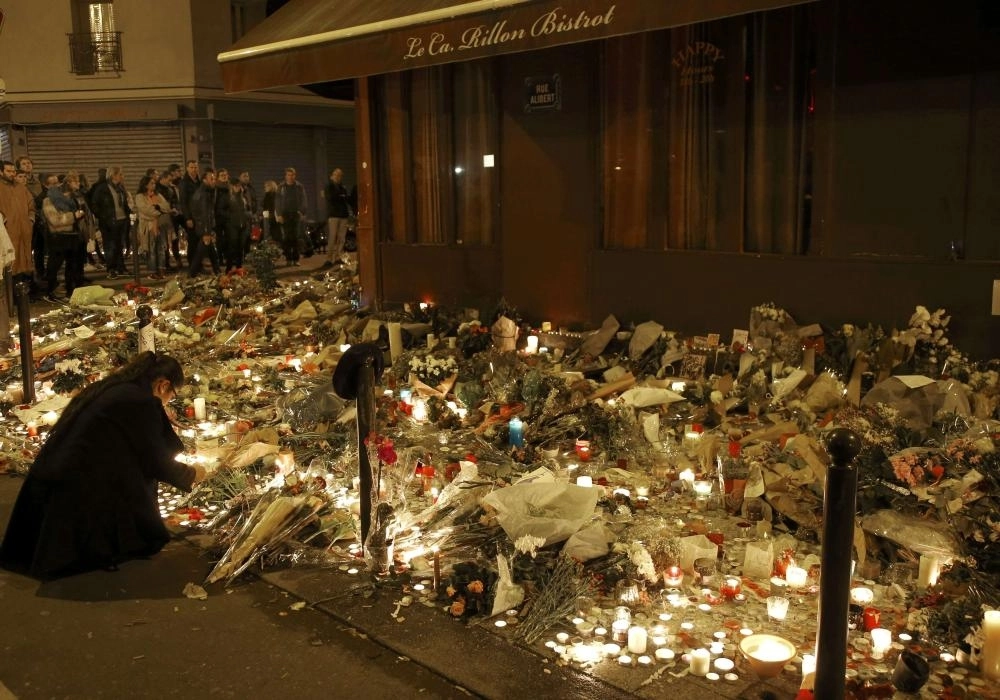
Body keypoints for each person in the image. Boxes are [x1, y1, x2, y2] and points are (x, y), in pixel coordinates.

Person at [0, 353, 205, 579]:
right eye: (172, 396)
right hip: (79, 484)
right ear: (163, 385)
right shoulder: (140, 401)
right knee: (139, 493)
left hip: (57, 474)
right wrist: (193, 474)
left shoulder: (119, 388)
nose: (169, 402)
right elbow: (154, 458)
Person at [275, 167, 307, 266]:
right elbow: (277, 201)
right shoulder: (281, 187)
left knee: (296, 237)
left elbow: (304, 199)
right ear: (286, 176)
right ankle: (289, 259)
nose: (290, 177)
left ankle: (296, 259)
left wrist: (302, 212)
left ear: (295, 175)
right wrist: (279, 214)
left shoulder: (299, 186)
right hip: (285, 214)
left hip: (296, 214)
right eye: (289, 175)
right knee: (287, 237)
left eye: (292, 175)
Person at [322, 168, 351, 269]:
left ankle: (338, 256)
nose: (338, 177)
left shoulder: (342, 186)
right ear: (332, 175)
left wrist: (342, 197)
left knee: (341, 237)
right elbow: (331, 198)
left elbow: (346, 198)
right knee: (332, 237)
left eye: (340, 175)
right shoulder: (329, 186)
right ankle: (329, 258)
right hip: (333, 215)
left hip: (343, 214)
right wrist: (341, 197)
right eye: (336, 175)